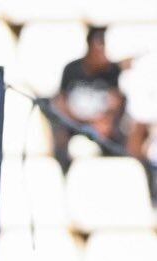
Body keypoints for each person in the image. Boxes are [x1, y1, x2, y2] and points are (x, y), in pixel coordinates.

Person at [49, 28, 135, 163]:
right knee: (60, 138)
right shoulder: (71, 69)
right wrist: (80, 122)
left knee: (119, 142)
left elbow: (116, 102)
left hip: (101, 126)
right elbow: (61, 102)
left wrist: (104, 122)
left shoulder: (112, 71)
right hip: (73, 125)